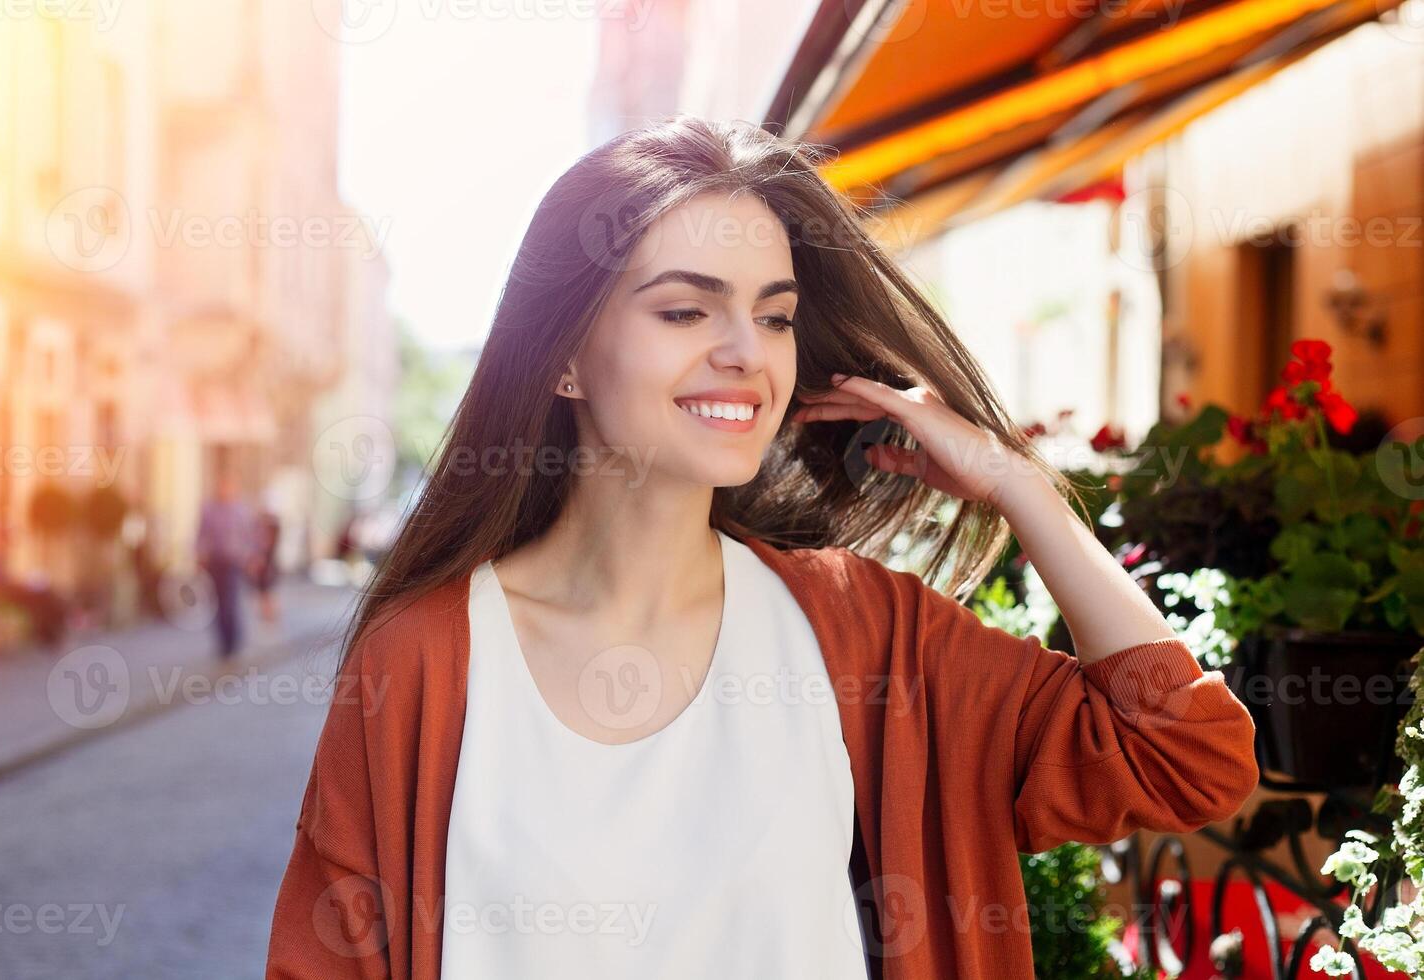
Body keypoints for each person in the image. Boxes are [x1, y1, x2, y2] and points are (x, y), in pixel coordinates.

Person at [266, 116, 1258, 980]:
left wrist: (1020, 486)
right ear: (564, 356)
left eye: (773, 315)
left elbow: (1183, 755)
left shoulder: (863, 634)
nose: (746, 349)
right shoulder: (425, 660)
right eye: (686, 309)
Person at [195, 468, 256, 660]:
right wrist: (199, 554)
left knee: (231, 601)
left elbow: (250, 536)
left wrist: (252, 557)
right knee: (218, 603)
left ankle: (234, 640)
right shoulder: (209, 509)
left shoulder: (241, 510)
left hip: (234, 562)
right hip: (215, 561)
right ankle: (223, 642)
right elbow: (201, 534)